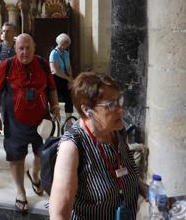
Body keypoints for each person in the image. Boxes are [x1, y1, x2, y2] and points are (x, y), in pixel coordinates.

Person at [49, 72, 148, 219]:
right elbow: (58, 214)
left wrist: (142, 188)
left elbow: (121, 169)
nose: (121, 110)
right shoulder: (72, 147)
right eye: (111, 105)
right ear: (87, 110)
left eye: (119, 101)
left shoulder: (116, 130)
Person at [0, 34, 60, 213]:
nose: (24, 52)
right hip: (15, 121)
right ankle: (20, 191)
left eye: (28, 48)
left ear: (34, 47)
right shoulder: (6, 66)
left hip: (41, 121)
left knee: (43, 154)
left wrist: (55, 106)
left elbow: (51, 88)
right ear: (15, 49)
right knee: (16, 157)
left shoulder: (43, 64)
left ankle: (34, 173)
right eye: (21, 48)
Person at [49, 33, 74, 118]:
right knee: (54, 100)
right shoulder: (54, 53)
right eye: (64, 43)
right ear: (59, 43)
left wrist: (70, 79)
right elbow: (55, 71)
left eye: (67, 44)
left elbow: (69, 66)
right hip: (56, 78)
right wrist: (67, 78)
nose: (65, 46)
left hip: (65, 77)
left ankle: (69, 120)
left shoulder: (66, 53)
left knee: (69, 98)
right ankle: (54, 119)